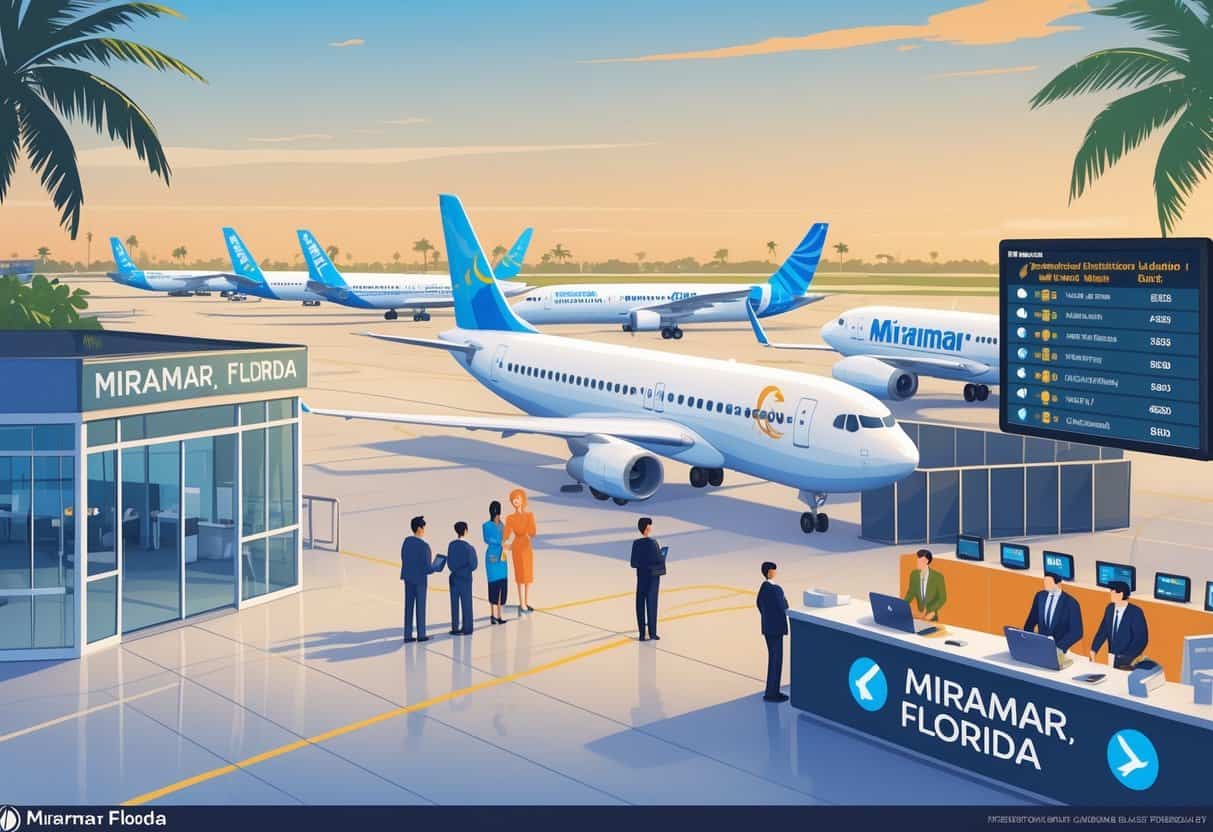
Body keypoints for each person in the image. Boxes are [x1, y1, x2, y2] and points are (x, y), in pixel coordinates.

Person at [1090, 581, 1149, 670]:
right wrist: (1094, 649)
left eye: (1113, 592)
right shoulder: (1109, 608)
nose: (1111, 595)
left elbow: (1141, 640)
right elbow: (1102, 631)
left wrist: (1126, 659)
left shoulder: (1136, 612)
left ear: (1121, 594)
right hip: (1112, 656)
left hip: (1128, 660)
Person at [1023, 572, 1083, 653]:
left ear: (1058, 584)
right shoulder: (1040, 596)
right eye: (1045, 582)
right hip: (1040, 647)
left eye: (1049, 583)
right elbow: (1031, 621)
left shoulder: (1071, 603)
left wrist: (1058, 648)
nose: (1045, 585)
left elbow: (1077, 632)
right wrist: (1028, 640)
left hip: (1060, 650)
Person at [757, 561, 789, 703]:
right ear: (770, 572)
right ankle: (772, 692)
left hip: (768, 628)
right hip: (776, 629)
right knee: (776, 660)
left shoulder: (763, 588)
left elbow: (758, 603)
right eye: (774, 570)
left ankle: (771, 690)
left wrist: (767, 617)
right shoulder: (776, 589)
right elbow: (784, 606)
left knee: (773, 658)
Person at [630, 517, 665, 641]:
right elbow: (659, 560)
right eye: (650, 525)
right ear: (647, 528)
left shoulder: (636, 543)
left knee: (640, 604)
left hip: (641, 577)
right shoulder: (653, 543)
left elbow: (633, 563)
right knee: (652, 605)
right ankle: (652, 633)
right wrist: (662, 556)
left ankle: (641, 634)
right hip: (652, 578)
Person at [503, 488, 537, 614]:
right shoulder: (510, 518)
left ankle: (525, 602)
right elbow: (506, 534)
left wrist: (529, 531)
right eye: (513, 500)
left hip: (526, 547)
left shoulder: (529, 516)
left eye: (517, 499)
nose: (515, 501)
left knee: (527, 576)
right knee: (520, 576)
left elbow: (533, 532)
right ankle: (522, 603)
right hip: (517, 547)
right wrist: (505, 544)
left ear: (522, 500)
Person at [400, 515, 433, 643]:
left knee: (408, 607)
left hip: (408, 578)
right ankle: (421, 634)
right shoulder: (424, 546)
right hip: (420, 581)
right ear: (419, 529)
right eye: (423, 528)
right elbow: (427, 567)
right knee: (420, 607)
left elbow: (403, 557)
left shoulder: (406, 541)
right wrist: (435, 568)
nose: (424, 530)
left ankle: (407, 635)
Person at [447, 521, 478, 635]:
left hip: (454, 579)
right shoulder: (469, 548)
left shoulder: (451, 545)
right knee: (467, 604)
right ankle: (467, 628)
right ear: (465, 531)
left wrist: (457, 571)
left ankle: (455, 627)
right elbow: (474, 565)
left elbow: (449, 563)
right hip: (465, 580)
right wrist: (464, 571)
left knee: (454, 604)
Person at [483, 500, 508, 625]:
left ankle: (499, 614)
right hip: (492, 556)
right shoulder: (486, 525)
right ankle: (492, 614)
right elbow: (487, 539)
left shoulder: (502, 525)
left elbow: (505, 536)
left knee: (502, 584)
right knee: (493, 585)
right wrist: (499, 541)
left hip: (501, 556)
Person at [903, 548, 946, 622]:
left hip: (931, 616)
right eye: (917, 560)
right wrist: (902, 606)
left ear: (926, 561)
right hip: (918, 616)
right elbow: (910, 593)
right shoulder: (914, 575)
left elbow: (942, 598)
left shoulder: (938, 577)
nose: (917, 562)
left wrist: (931, 610)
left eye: (920, 560)